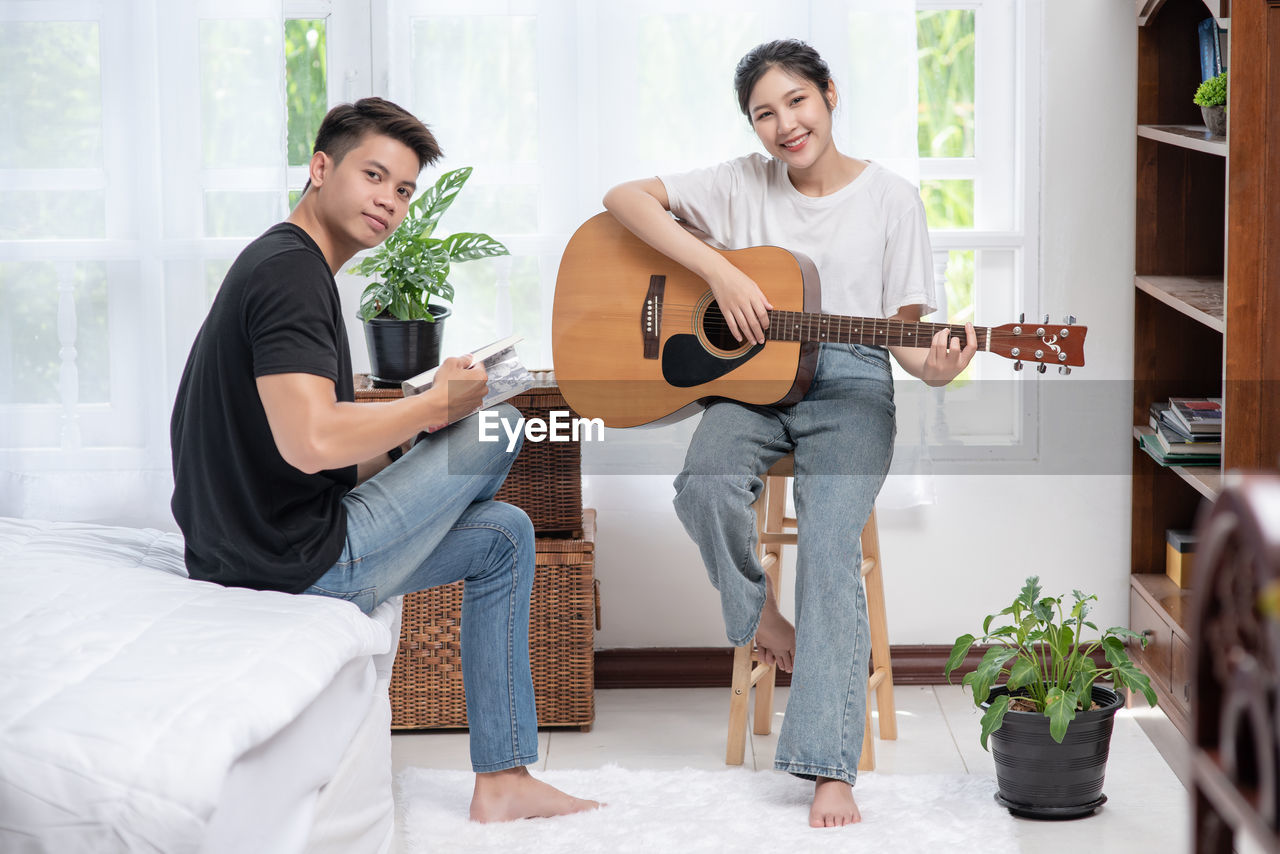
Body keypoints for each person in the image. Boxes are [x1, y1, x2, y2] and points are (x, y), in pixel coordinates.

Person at [170, 97, 597, 823]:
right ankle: (435, 476)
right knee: (504, 428)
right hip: (292, 559)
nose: (390, 203)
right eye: (374, 175)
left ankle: (503, 777)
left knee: (506, 535)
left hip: (261, 542)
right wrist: (441, 409)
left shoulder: (289, 263)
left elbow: (315, 456)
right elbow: (312, 441)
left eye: (402, 190)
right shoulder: (289, 275)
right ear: (320, 167)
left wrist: (414, 441)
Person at [603, 39, 975, 827]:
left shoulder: (891, 200)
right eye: (764, 114)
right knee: (702, 483)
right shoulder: (741, 182)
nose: (784, 125)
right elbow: (623, 199)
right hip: (754, 382)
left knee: (832, 541)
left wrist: (940, 368)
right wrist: (718, 272)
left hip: (851, 383)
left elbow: (909, 344)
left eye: (796, 102)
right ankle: (759, 619)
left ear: (830, 94)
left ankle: (827, 768)